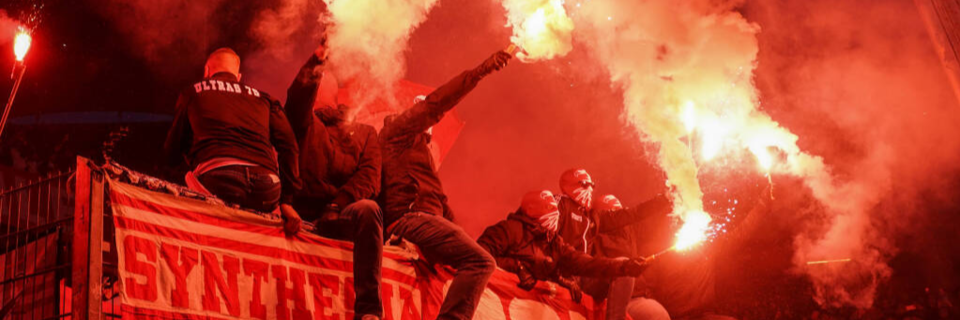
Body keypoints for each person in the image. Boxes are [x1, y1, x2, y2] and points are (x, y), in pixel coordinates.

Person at [379, 49, 512, 320]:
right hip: (409, 218)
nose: (431, 121)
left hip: (428, 220)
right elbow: (436, 104)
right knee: (482, 262)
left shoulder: (423, 151)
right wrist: (479, 72)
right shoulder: (397, 133)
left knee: (478, 258)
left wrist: (462, 236)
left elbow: (440, 200)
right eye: (424, 115)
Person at [284, 40, 384, 320]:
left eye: (321, 79)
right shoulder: (304, 122)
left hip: (343, 214)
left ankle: (369, 312)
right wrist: (317, 60)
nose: (317, 83)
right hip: (304, 211)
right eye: (316, 80)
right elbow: (297, 98)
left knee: (369, 210)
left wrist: (339, 204)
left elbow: (370, 177)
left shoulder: (365, 132)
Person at [164, 48, 302, 235]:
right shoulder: (265, 98)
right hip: (268, 187)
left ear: (206, 71)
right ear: (238, 76)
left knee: (188, 177)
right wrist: (287, 201)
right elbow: (290, 146)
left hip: (218, 178)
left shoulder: (193, 92)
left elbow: (171, 152)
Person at [477, 190, 651, 303]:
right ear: (530, 209)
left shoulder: (554, 242)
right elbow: (479, 255)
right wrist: (517, 267)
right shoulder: (509, 230)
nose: (554, 212)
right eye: (548, 207)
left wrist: (624, 267)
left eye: (555, 209)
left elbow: (583, 262)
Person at [628, 186, 773, 320]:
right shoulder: (660, 254)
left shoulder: (708, 246)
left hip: (705, 315)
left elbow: (741, 233)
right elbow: (641, 292)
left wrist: (764, 202)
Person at [553, 169, 673, 320]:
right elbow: (549, 240)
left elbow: (632, 214)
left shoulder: (593, 217)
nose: (590, 189)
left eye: (592, 185)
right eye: (585, 185)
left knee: (624, 269)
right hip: (562, 273)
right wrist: (559, 274)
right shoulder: (559, 205)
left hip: (584, 276)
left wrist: (665, 198)